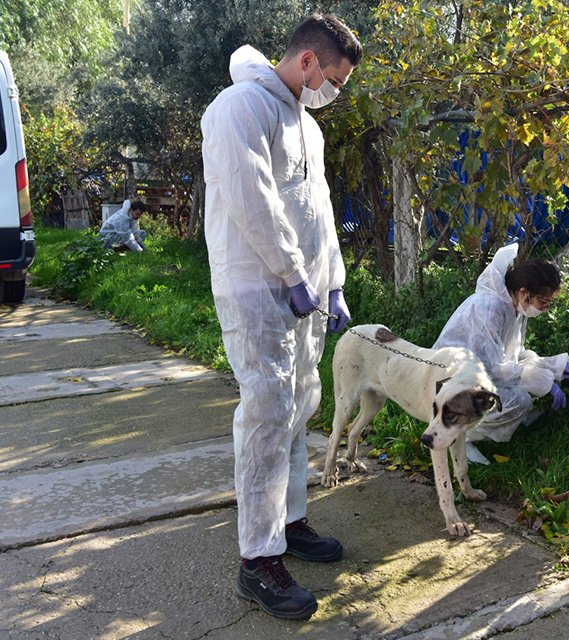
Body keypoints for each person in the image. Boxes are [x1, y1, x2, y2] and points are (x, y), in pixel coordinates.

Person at [200, 13, 362, 620]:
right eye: (335, 79)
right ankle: (257, 561)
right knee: (267, 414)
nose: (334, 92)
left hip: (306, 294)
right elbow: (252, 201)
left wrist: (332, 281)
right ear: (309, 62)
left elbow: (318, 210)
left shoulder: (307, 125)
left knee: (299, 406)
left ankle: (289, 522)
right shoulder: (239, 107)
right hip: (258, 290)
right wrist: (295, 275)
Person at [433, 243, 569, 465]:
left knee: (531, 386)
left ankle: (486, 429)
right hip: (448, 381)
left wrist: (556, 368)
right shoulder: (490, 307)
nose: (544, 309)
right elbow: (491, 369)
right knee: (519, 399)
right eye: (543, 302)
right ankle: (460, 437)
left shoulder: (514, 308)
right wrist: (543, 380)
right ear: (524, 292)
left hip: (472, 377)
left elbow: (515, 356)